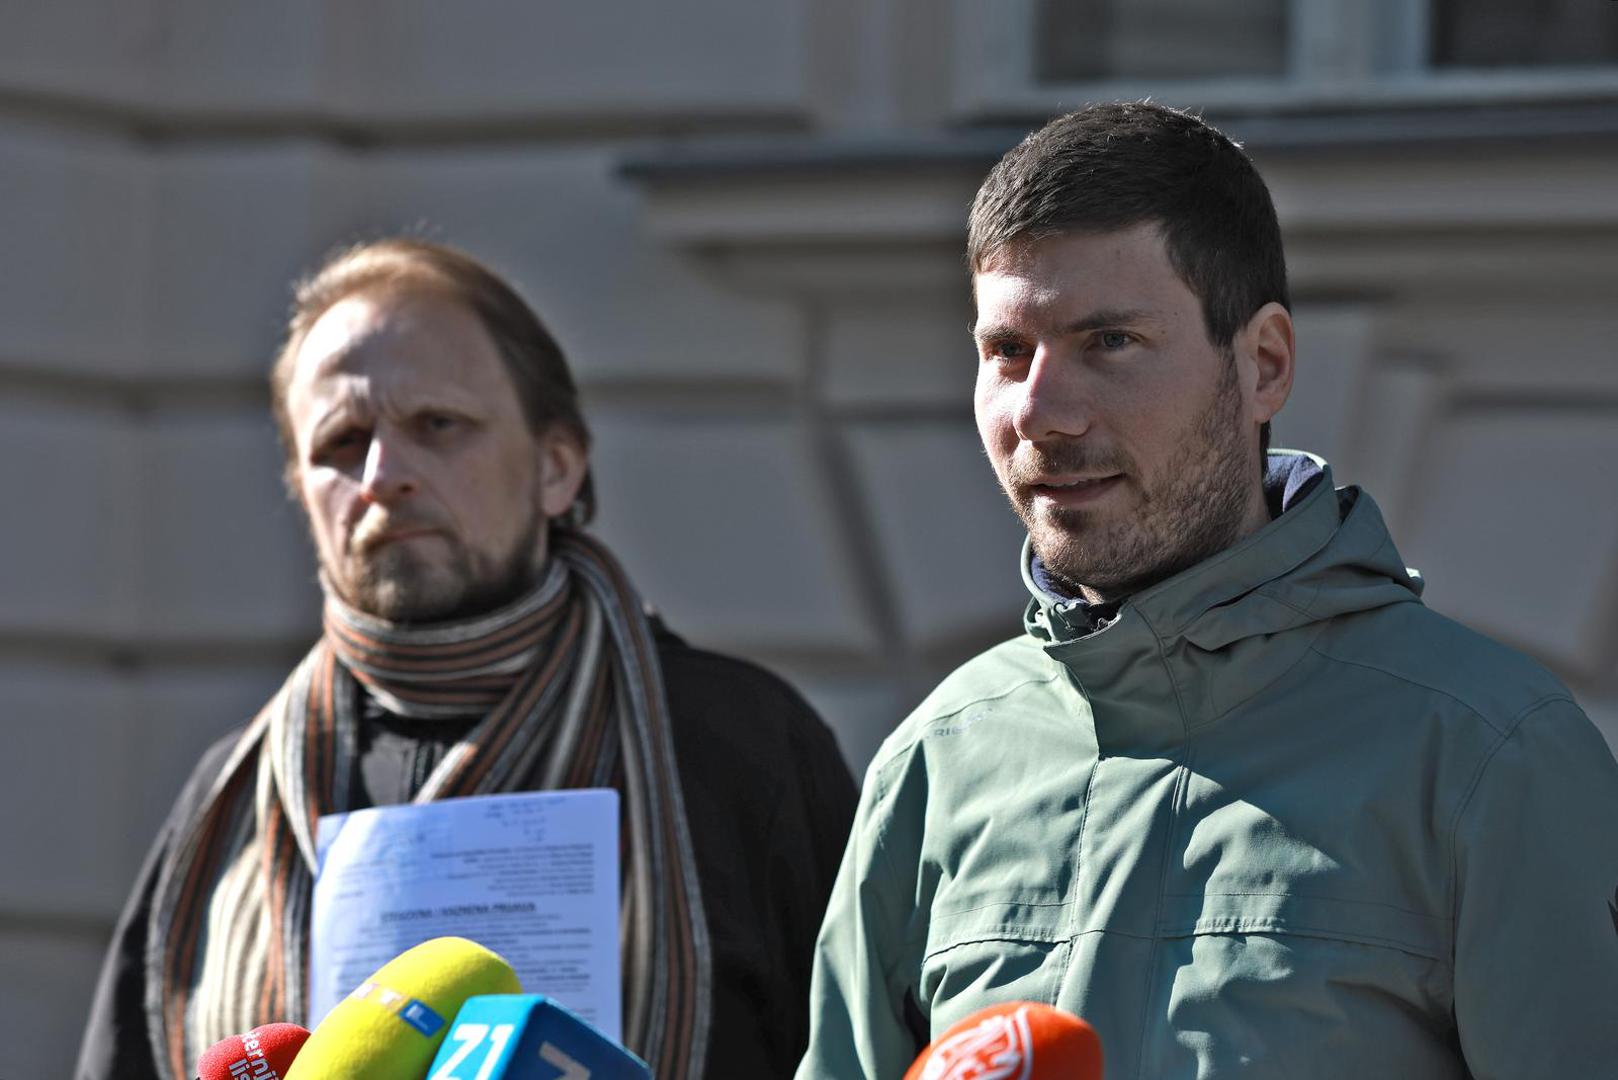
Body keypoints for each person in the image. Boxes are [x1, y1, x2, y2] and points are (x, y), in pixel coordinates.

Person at [798, 102, 1618, 1078]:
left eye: (1109, 341)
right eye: (1007, 351)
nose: (1041, 412)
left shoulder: (1487, 755)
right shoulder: (935, 765)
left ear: (1263, 365)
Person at [77, 238, 858, 1080]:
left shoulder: (739, 747)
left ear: (557, 467)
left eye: (437, 426)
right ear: (301, 492)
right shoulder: (227, 802)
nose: (383, 475)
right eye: (341, 442)